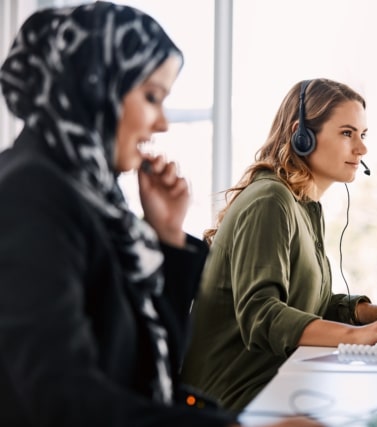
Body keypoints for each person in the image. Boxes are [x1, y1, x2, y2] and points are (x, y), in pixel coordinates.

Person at [0, 3, 322, 427]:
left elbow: (150, 368)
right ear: (96, 85)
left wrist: (166, 236)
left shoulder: (91, 194)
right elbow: (61, 398)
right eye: (152, 97)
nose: (163, 124)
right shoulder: (31, 193)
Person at [180, 78, 377, 411]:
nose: (361, 149)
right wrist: (358, 336)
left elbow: (311, 306)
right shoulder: (270, 200)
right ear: (301, 135)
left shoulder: (302, 206)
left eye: (362, 135)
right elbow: (261, 315)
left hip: (275, 384)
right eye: (347, 133)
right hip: (235, 400)